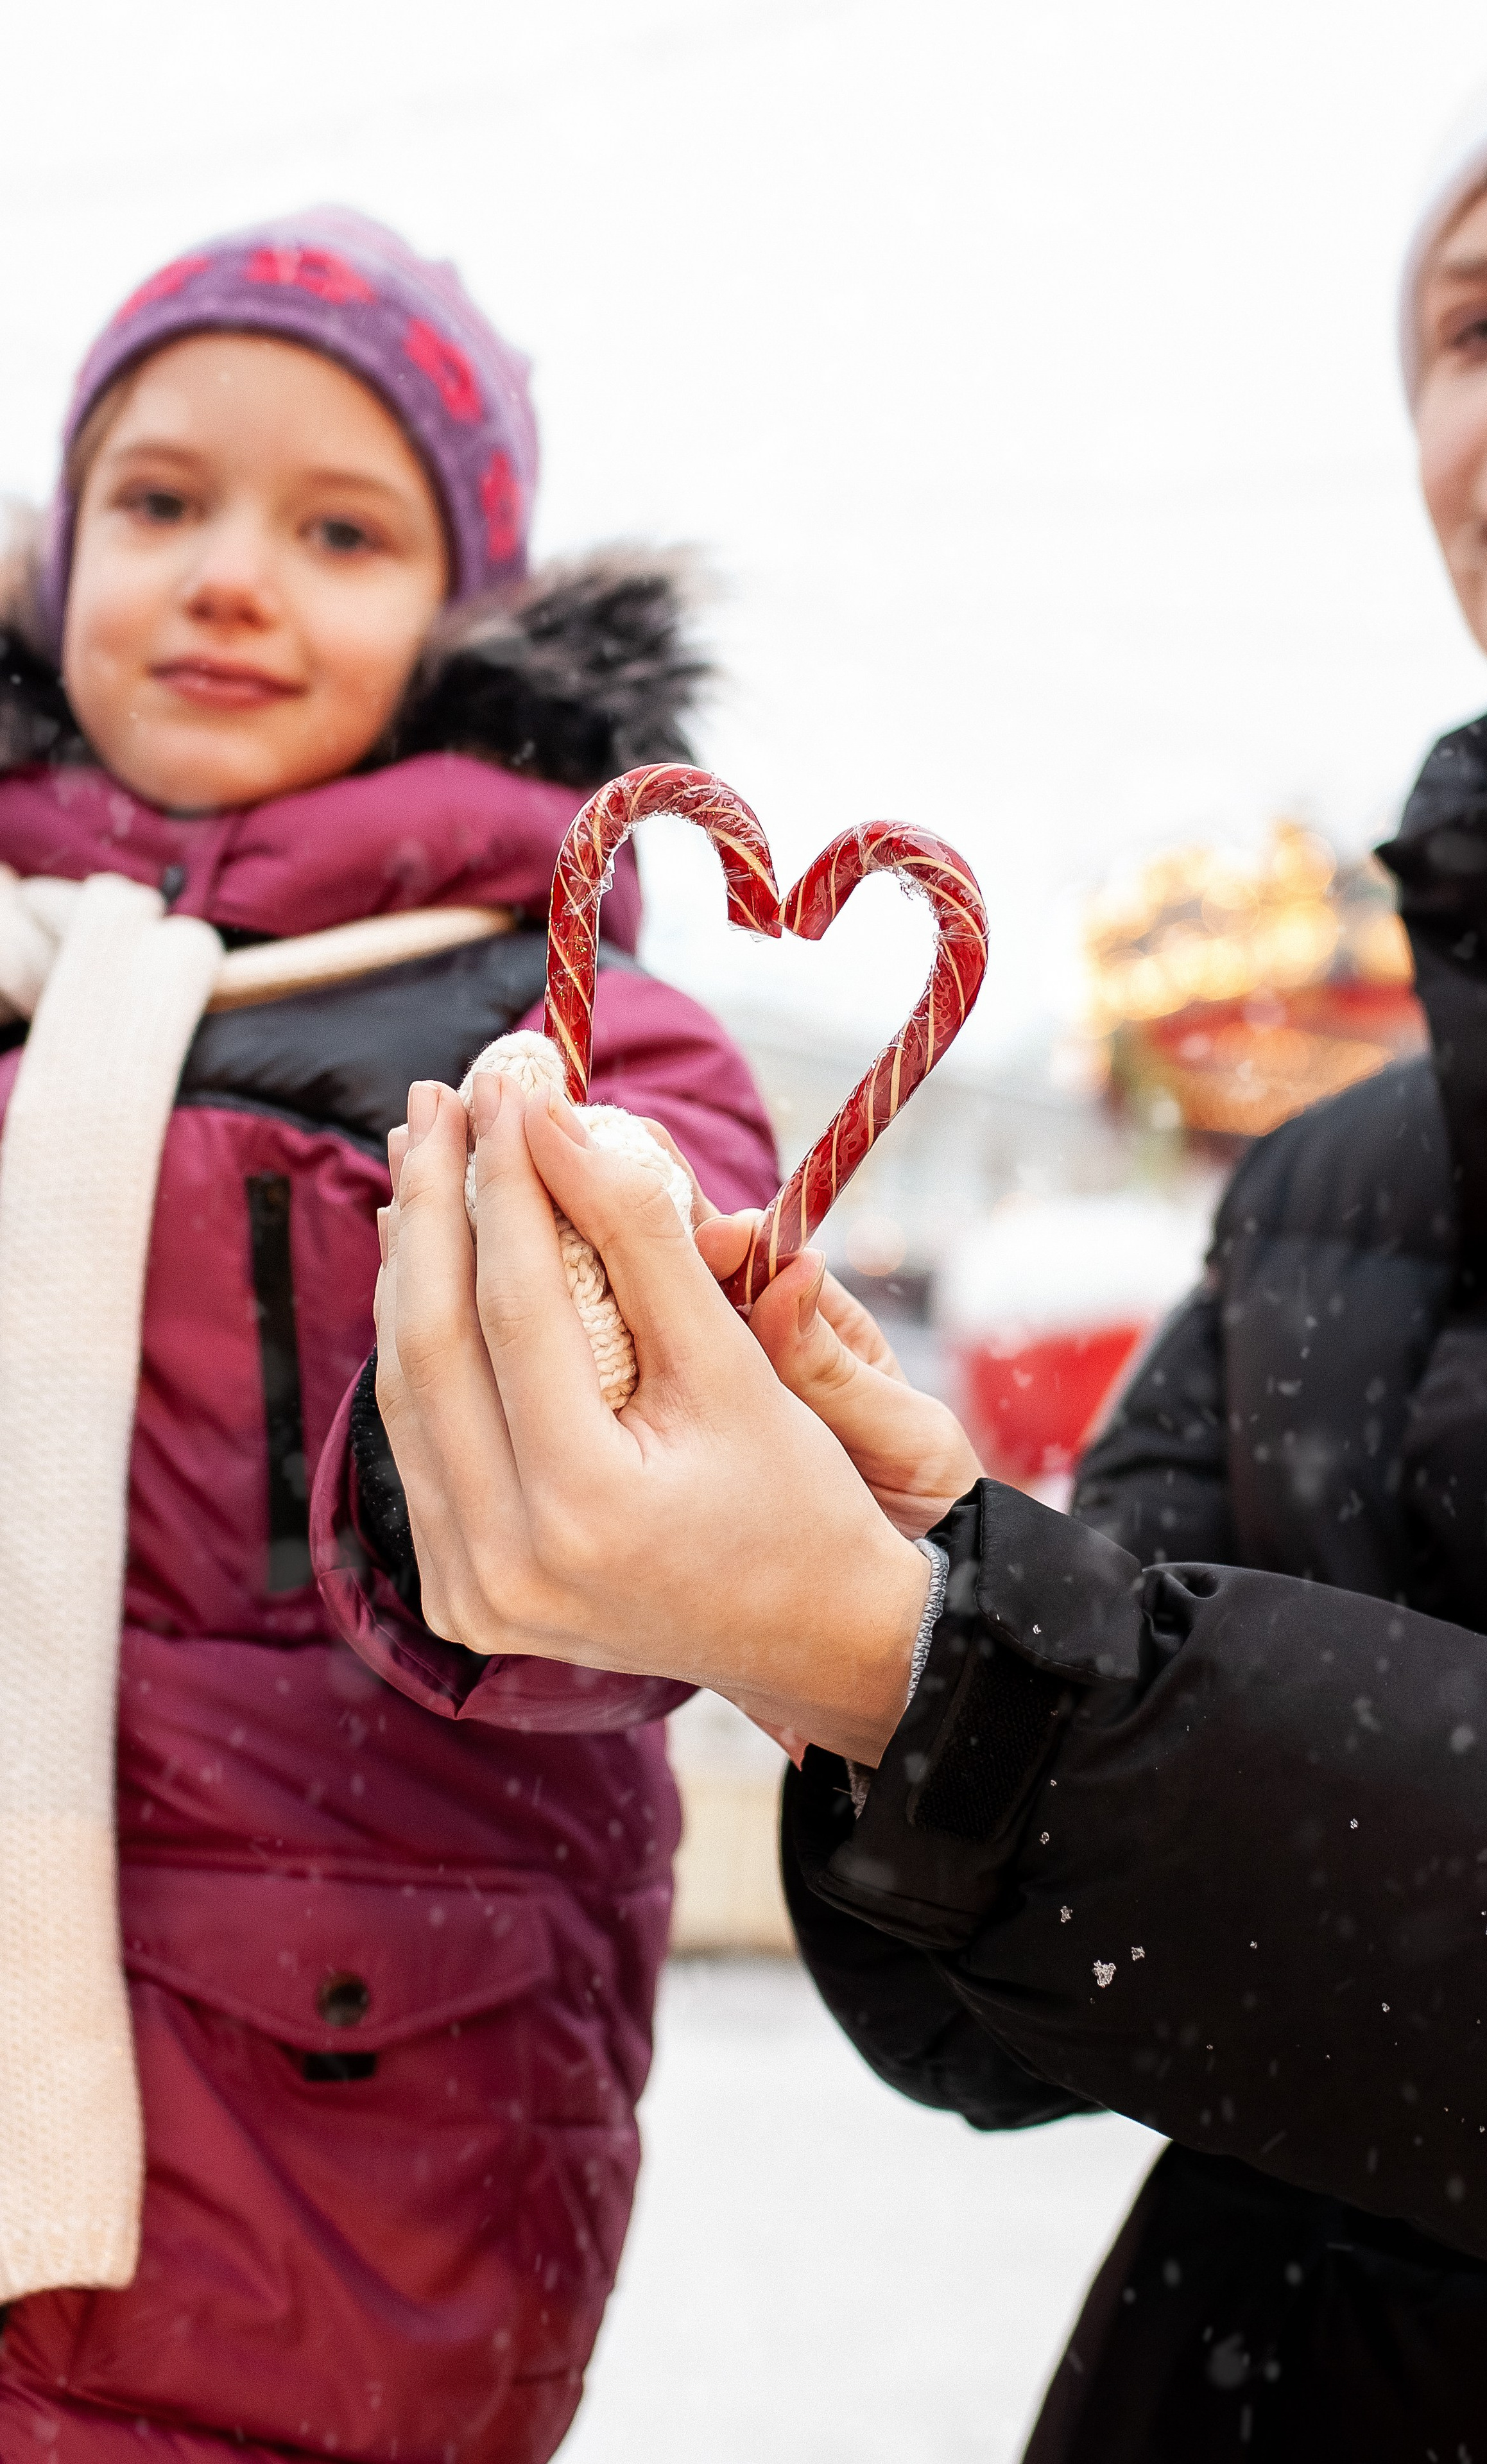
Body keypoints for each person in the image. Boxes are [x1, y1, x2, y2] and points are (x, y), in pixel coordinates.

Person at [366, 12, 1487, 2459]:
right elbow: (1011, 2021)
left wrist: (919, 1649)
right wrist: (894, 1582)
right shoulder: (1327, 1195)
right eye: (1474, 322)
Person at [0, 211, 777, 2461]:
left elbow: (646, 1552)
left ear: (467, 616)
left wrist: (599, 1302)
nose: (231, 577)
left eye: (339, 531)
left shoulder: (554, 1028)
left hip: (343, 2116)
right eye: (163, 500)